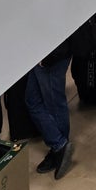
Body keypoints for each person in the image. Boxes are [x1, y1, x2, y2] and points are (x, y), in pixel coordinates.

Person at [25, 37, 74, 179]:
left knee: (54, 104)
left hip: (51, 54)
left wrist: (49, 57)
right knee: (33, 101)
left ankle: (59, 148)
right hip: (41, 51)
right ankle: (59, 143)